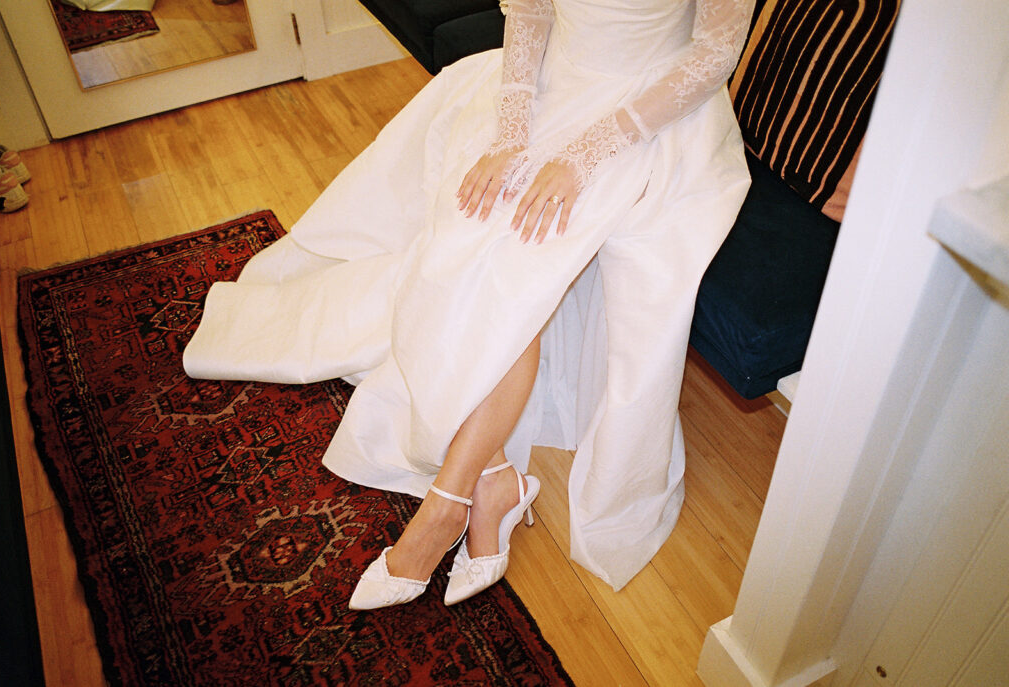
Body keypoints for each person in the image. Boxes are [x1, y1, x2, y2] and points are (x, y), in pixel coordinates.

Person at [184, 0, 755, 609]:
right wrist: (511, 135)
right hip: (544, 88)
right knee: (471, 234)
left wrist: (583, 156)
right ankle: (492, 482)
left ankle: (444, 506)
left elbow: (713, 55)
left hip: (648, 118)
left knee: (520, 258)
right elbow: (532, 14)